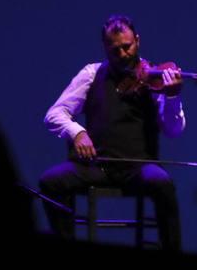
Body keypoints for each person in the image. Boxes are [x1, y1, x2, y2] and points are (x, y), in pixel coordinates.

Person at [38, 15, 186, 251]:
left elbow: (173, 130)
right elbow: (55, 114)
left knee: (163, 185)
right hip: (95, 166)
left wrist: (172, 97)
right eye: (115, 50)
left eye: (127, 47)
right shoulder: (91, 73)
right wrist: (77, 133)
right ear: (105, 48)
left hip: (139, 167)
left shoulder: (155, 78)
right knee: (50, 182)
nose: (123, 54)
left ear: (137, 41)